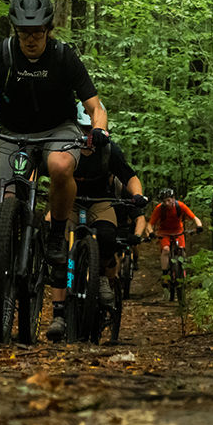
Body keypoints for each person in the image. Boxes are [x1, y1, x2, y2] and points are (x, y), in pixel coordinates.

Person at [0, 0, 108, 341]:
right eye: (24, 32)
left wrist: (100, 131)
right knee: (3, 206)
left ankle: (58, 233)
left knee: (61, 165)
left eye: (38, 32)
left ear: (49, 29)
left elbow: (95, 107)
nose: (31, 39)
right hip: (13, 133)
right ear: (14, 30)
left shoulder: (64, 58)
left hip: (58, 130)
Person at [64, 103, 147, 307]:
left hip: (100, 201)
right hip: (69, 201)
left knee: (107, 235)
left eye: (90, 129)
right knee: (53, 233)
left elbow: (130, 177)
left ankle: (102, 278)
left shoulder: (109, 150)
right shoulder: (64, 147)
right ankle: (57, 279)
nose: (86, 134)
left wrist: (137, 195)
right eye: (82, 129)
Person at [144, 188, 203, 297]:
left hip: (178, 232)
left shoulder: (180, 206)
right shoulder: (159, 209)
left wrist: (199, 226)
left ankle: (182, 272)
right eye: (164, 201)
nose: (167, 203)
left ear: (173, 199)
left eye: (169, 200)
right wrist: (151, 233)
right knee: (166, 250)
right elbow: (149, 224)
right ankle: (165, 275)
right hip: (164, 233)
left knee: (181, 251)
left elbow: (194, 217)